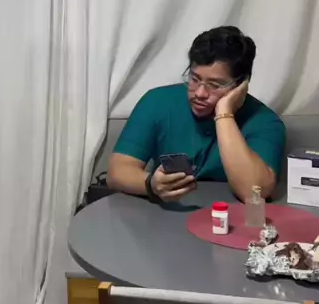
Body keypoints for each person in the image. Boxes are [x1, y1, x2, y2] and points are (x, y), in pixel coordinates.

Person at [107, 26, 286, 205]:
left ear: (240, 85)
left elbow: (253, 192)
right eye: (195, 79)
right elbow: (117, 172)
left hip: (230, 217)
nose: (200, 93)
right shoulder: (157, 101)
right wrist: (151, 185)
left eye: (215, 85)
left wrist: (224, 114)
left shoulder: (265, 122)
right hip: (164, 214)